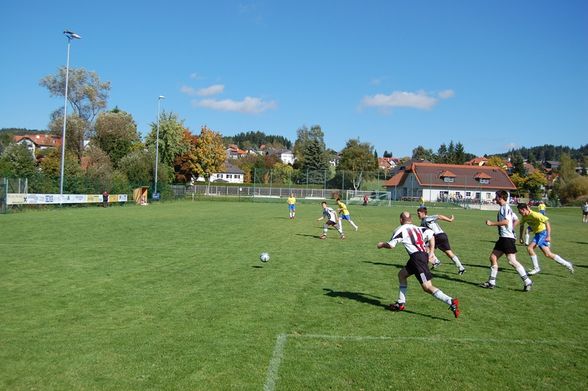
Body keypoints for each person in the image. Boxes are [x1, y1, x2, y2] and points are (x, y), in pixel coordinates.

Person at [377, 211, 460, 318]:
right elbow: (431, 234)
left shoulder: (400, 229)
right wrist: (431, 252)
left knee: (427, 287)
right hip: (419, 257)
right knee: (402, 274)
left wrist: (381, 244)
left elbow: (391, 245)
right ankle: (400, 303)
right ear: (411, 219)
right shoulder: (419, 228)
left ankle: (451, 301)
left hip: (418, 259)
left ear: (401, 220)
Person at [481, 191, 533, 291]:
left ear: (500, 197)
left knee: (512, 261)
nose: (495, 199)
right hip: (504, 237)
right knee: (493, 257)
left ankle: (527, 281)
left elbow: (506, 222)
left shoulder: (505, 208)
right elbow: (516, 219)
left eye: (496, 197)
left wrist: (491, 223)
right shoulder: (507, 208)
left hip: (506, 238)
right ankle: (491, 282)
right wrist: (511, 229)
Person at [517, 203, 574, 275]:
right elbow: (521, 226)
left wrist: (548, 236)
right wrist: (521, 237)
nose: (519, 213)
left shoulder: (535, 215)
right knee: (548, 254)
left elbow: (547, 223)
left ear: (524, 209)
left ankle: (536, 268)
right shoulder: (524, 217)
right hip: (538, 234)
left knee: (530, 248)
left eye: (520, 211)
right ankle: (568, 264)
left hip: (542, 233)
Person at [416, 207, 466, 275]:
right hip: (443, 236)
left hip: (437, 236)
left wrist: (450, 220)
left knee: (425, 247)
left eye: (419, 213)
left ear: (423, 213)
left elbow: (439, 216)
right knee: (449, 252)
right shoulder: (423, 221)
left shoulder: (427, 218)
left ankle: (436, 261)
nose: (417, 215)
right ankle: (461, 268)